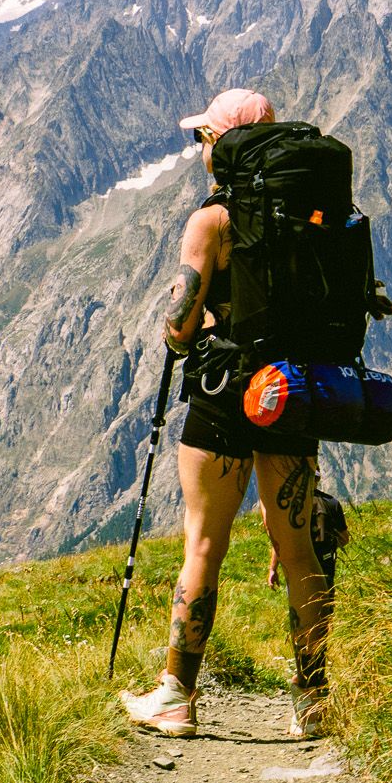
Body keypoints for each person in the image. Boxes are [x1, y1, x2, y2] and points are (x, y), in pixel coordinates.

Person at [118, 88, 340, 741]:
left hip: (221, 394)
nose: (200, 151)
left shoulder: (211, 223)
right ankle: (313, 700)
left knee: (204, 544)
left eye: (204, 139)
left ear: (225, 146)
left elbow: (180, 328)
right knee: (298, 550)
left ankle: (177, 696)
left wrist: (185, 321)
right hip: (291, 392)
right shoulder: (317, 214)